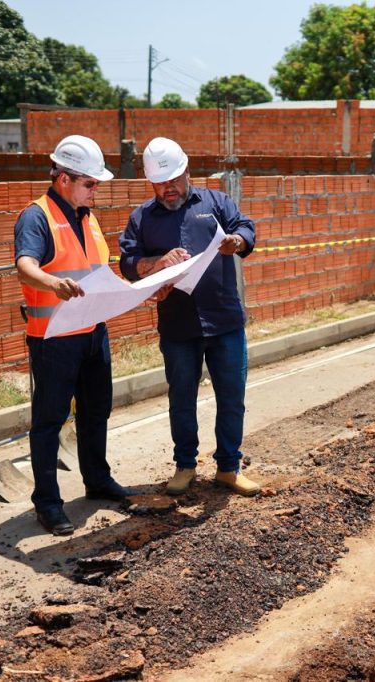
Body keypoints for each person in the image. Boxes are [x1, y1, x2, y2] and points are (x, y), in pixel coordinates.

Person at [119, 137, 260, 497]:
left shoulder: (216, 203)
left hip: (224, 321)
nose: (168, 189)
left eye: (174, 181)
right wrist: (155, 264)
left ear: (187, 171)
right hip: (178, 325)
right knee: (181, 398)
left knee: (232, 396)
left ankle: (229, 468)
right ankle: (185, 466)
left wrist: (237, 241)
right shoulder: (142, 219)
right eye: (160, 184)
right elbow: (128, 263)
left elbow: (246, 226)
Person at [14, 135, 133, 536]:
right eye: (90, 183)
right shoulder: (37, 217)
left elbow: (95, 269)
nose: (95, 190)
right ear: (64, 178)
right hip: (53, 339)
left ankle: (96, 479)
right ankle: (47, 502)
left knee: (96, 410)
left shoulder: (88, 216)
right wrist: (52, 283)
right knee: (49, 421)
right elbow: (25, 266)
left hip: (93, 333)